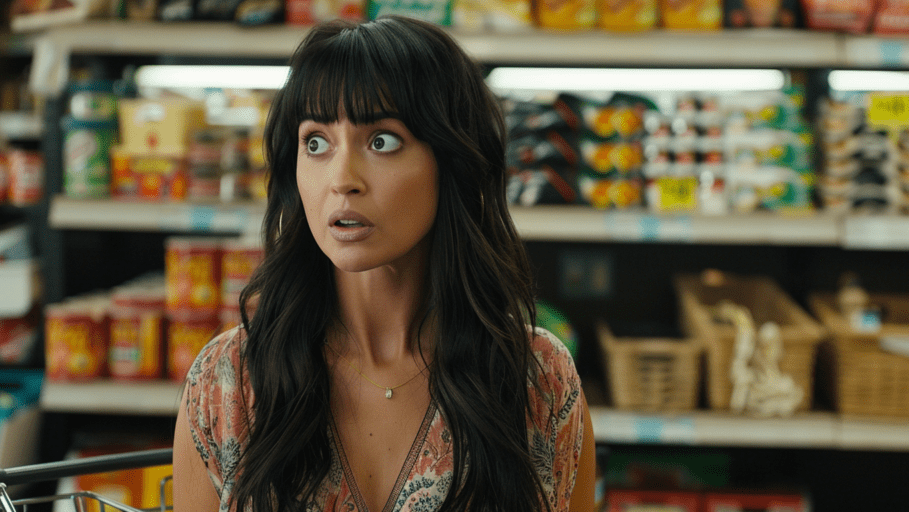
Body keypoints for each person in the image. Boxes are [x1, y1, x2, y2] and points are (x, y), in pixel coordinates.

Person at [173, 15, 595, 512]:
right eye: (316, 142)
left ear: (452, 163)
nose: (341, 178)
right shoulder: (228, 382)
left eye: (381, 141)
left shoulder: (538, 379)